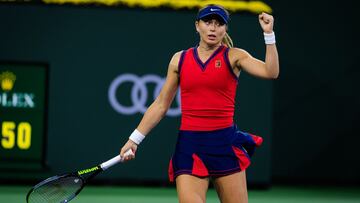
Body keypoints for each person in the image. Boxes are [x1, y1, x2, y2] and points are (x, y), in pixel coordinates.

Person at [120, 4, 279, 203]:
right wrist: (134, 139)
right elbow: (161, 104)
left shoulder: (235, 56)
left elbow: (271, 72)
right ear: (197, 26)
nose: (213, 28)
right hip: (190, 146)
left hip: (224, 144)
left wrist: (269, 35)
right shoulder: (179, 59)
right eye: (208, 22)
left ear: (225, 29)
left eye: (219, 24)